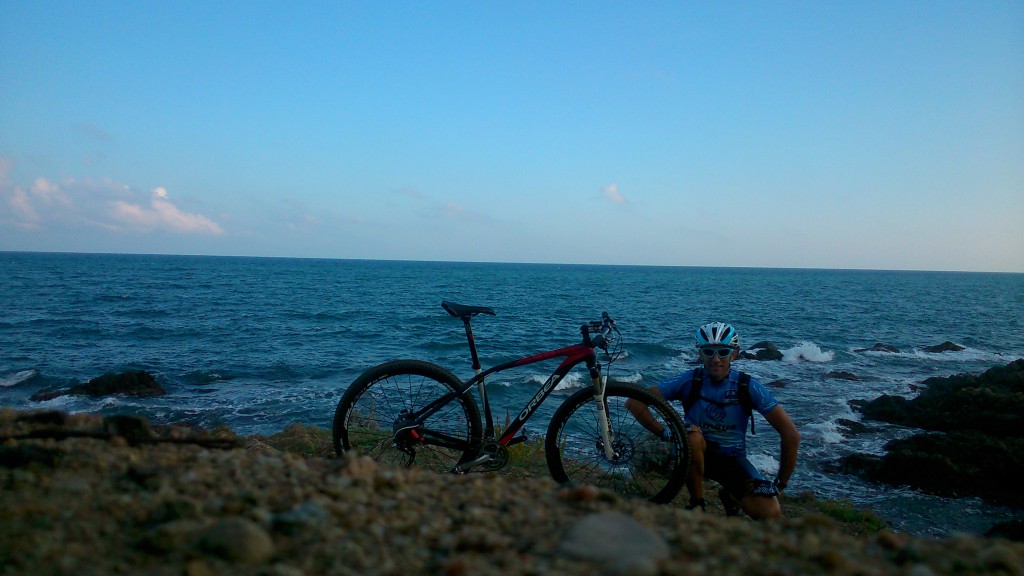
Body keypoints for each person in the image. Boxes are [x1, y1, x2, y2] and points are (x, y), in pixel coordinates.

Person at [628, 322, 800, 519]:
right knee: (692, 436)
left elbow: (791, 435)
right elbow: (634, 402)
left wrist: (779, 484)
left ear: (734, 354)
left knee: (770, 513)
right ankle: (697, 503)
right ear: (699, 354)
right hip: (691, 452)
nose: (715, 359)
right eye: (708, 352)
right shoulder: (689, 381)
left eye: (723, 352)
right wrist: (666, 434)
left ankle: (729, 496)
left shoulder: (748, 386)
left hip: (732, 460)